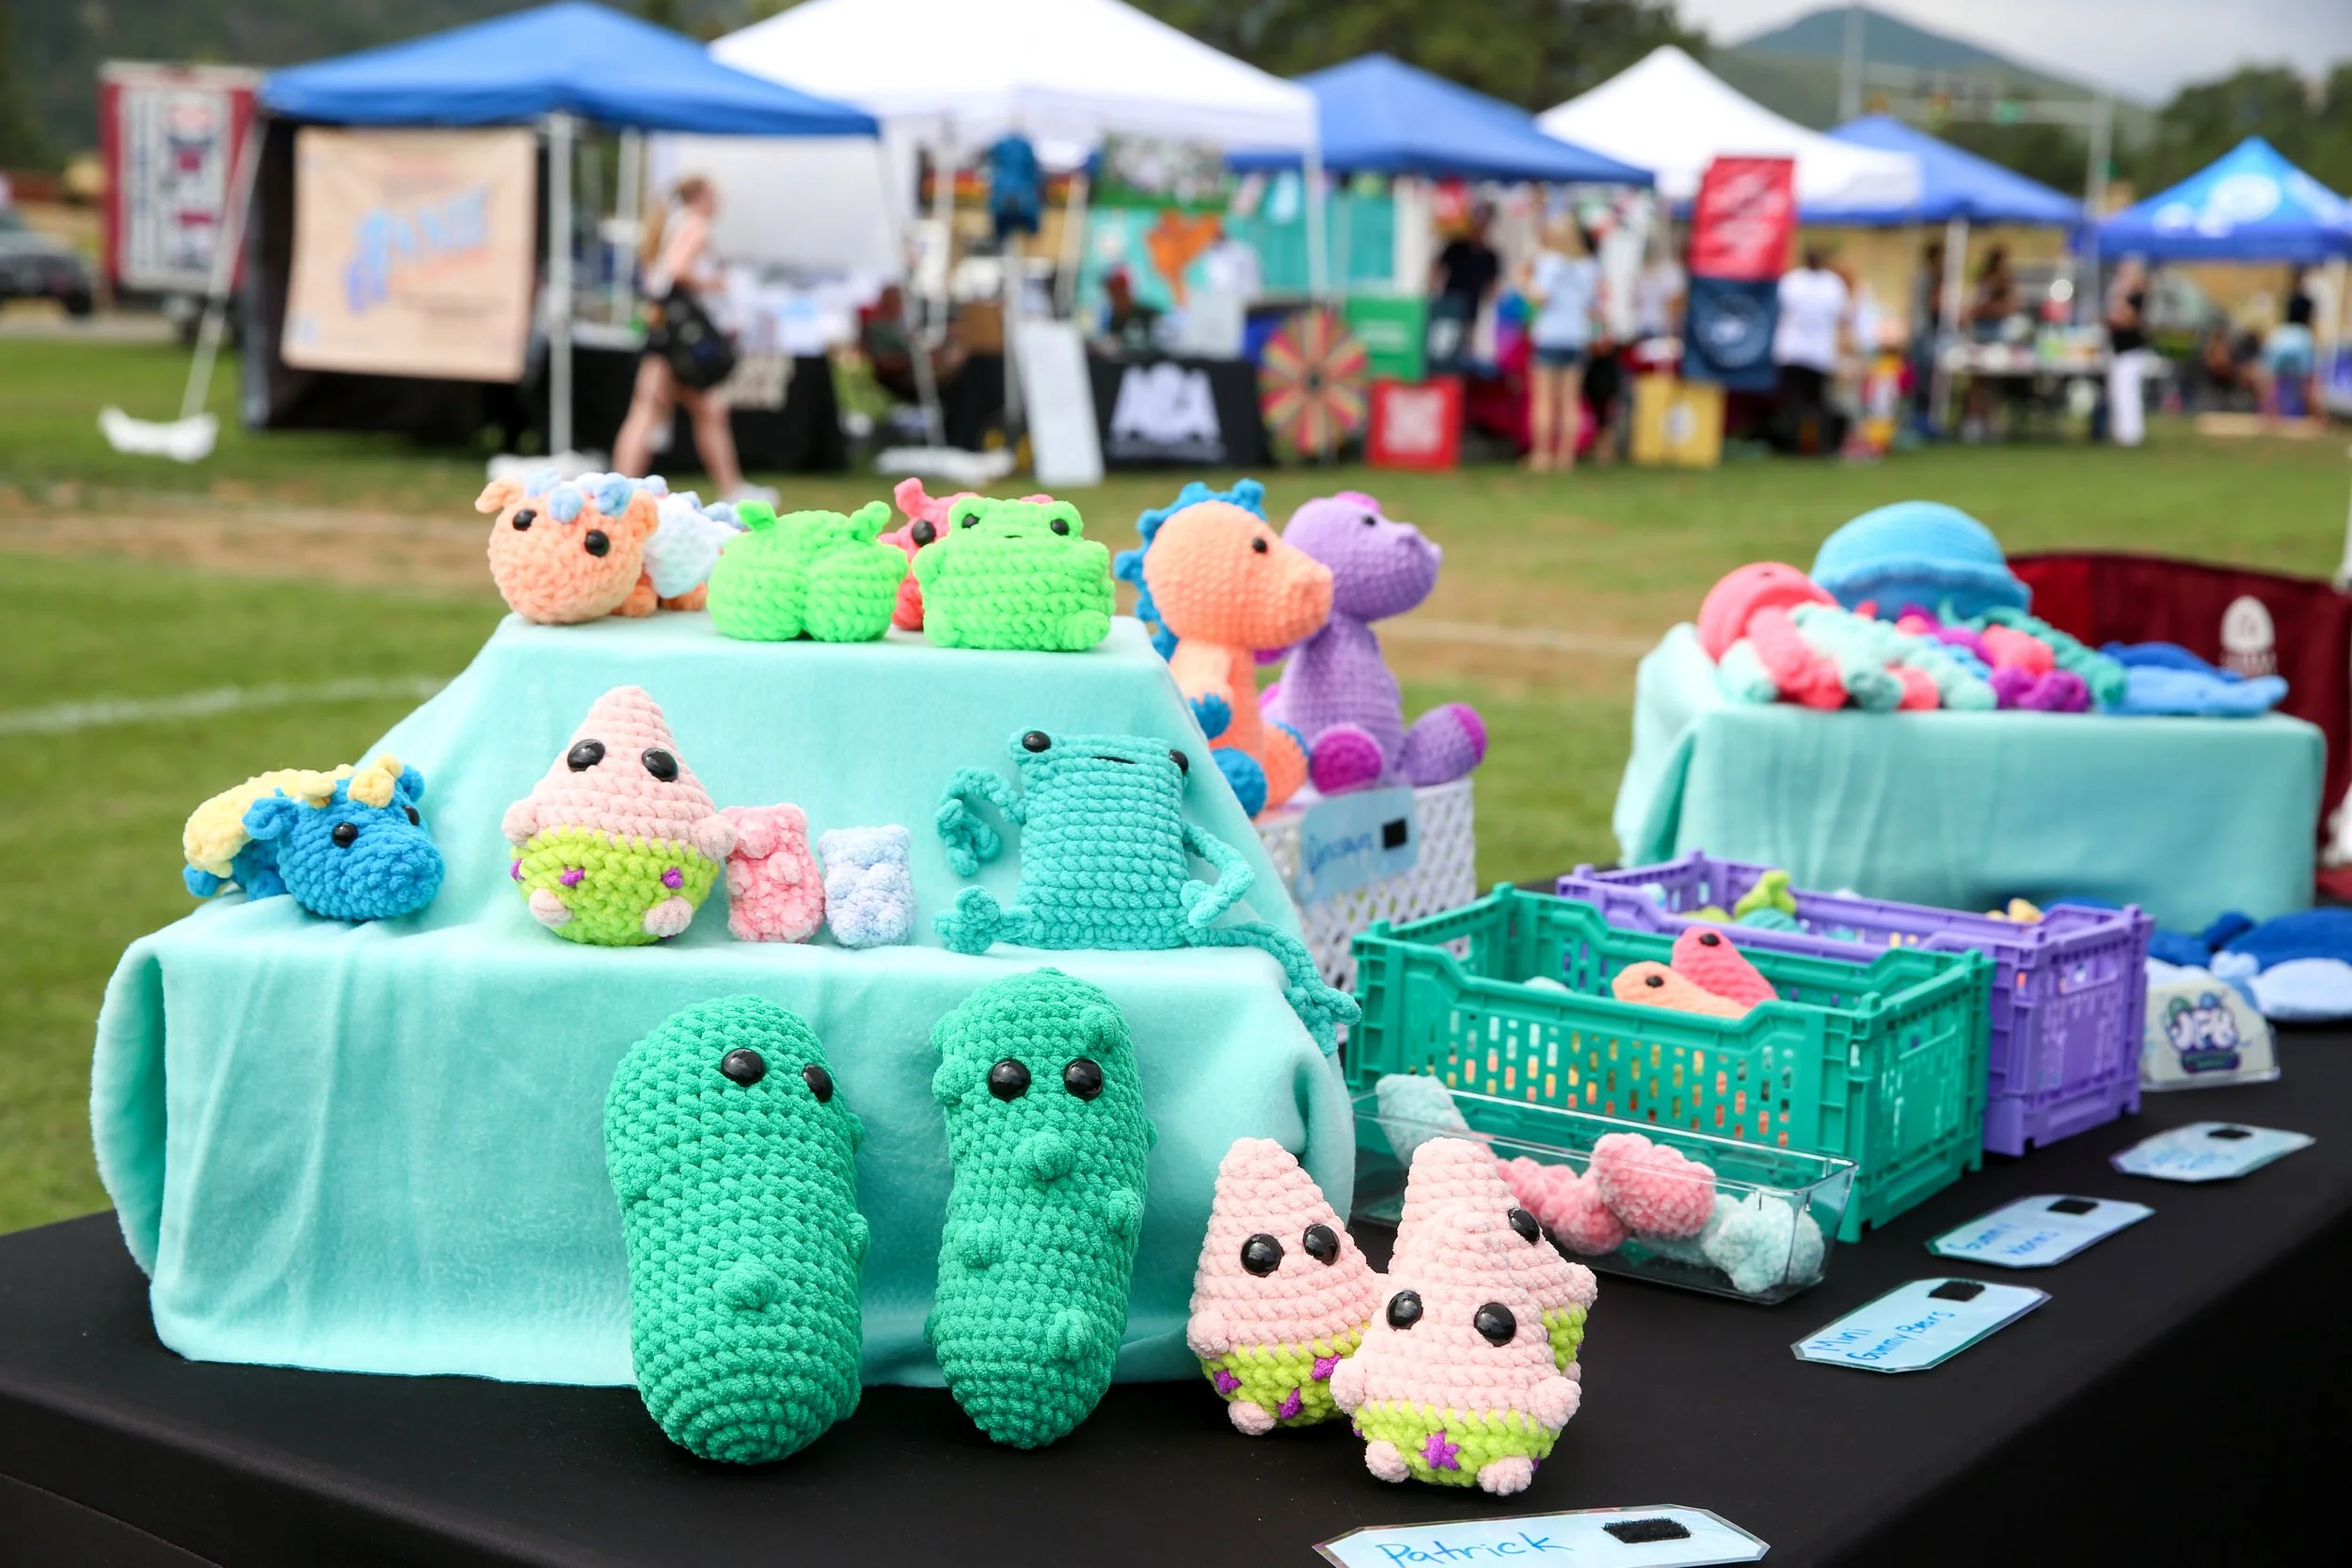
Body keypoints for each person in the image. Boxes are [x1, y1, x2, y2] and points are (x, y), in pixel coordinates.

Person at [613, 176, 748, 498]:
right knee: (690, 409)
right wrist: (714, 283)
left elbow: (655, 275)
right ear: (700, 197)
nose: (719, 203)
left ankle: (619, 485)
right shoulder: (695, 225)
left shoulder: (668, 225)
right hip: (679, 333)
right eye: (715, 195)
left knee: (654, 408)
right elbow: (676, 269)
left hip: (662, 328)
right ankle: (732, 488)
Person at [1522, 215, 1600, 472]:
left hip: (1550, 336)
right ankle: (1566, 457)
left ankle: (1542, 455)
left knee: (1544, 399)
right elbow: (1593, 307)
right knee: (1570, 401)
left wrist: (1522, 281)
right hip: (1576, 337)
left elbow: (1540, 297)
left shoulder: (1550, 263)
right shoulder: (1588, 267)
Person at [1772, 246, 1850, 455]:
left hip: (1797, 351)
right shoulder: (1831, 284)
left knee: (1801, 402)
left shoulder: (1792, 281)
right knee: (1813, 403)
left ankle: (1799, 446)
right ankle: (1814, 445)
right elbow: (1843, 318)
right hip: (1812, 352)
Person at [1428, 202, 1502, 372]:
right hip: (1449, 304)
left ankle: (1462, 374)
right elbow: (1437, 268)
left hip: (1472, 305)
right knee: (1446, 342)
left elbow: (1493, 285)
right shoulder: (1456, 246)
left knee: (1466, 343)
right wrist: (1431, 288)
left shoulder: (1490, 255)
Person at [2105, 257, 2152, 447]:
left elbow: (2124, 319)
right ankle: (2122, 431)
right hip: (2119, 351)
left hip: (2130, 351)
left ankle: (2131, 434)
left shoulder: (2137, 298)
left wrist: (2120, 296)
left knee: (2129, 394)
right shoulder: (2126, 296)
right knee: (2119, 393)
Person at [2258, 292, 2318, 419]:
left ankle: (2268, 414)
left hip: (2276, 348)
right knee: (2308, 384)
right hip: (2300, 351)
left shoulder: (2278, 331)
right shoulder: (2306, 335)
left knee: (2271, 383)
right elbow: (2308, 382)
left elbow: (2267, 374)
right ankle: (2318, 417)